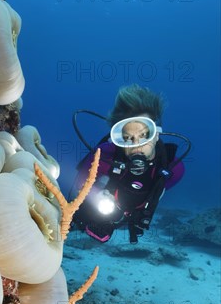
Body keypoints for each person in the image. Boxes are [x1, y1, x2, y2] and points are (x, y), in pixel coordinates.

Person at [73, 84, 190, 244]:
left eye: (144, 135)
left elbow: (157, 191)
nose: (137, 145)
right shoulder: (103, 155)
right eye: (127, 138)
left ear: (157, 134)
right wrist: (96, 195)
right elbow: (80, 185)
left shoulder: (174, 168)